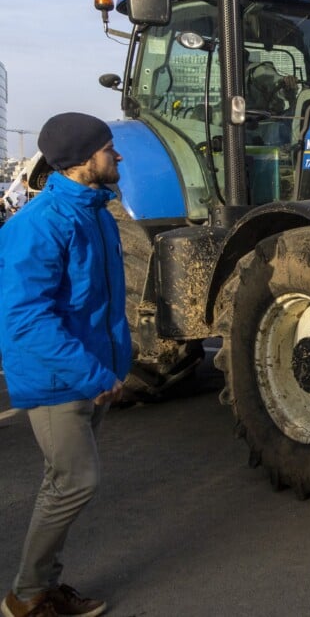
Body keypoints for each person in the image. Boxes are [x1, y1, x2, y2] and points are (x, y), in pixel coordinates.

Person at [0, 113, 132, 617]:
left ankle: (45, 587)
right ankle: (26, 597)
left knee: (64, 483)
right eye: (107, 148)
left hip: (90, 374)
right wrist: (95, 374)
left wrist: (118, 362)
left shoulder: (94, 212)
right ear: (82, 160)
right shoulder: (39, 224)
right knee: (75, 482)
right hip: (60, 379)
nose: (116, 155)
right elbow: (27, 321)